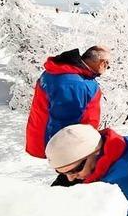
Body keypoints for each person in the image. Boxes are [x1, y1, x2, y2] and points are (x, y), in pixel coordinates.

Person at [25, 45, 111, 187]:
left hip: (59, 142)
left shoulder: (63, 73)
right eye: (108, 66)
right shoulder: (73, 83)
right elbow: (65, 126)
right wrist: (70, 155)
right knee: (73, 178)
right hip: (72, 147)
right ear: (103, 63)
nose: (106, 70)